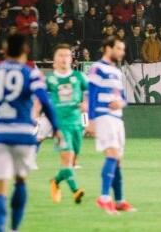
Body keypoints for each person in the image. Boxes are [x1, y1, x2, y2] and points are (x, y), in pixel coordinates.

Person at [0, 34, 61, 232]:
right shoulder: (31, 74)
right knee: (20, 181)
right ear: (26, 52)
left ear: (4, 51)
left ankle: (0, 229)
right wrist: (56, 128)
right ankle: (14, 228)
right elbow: (46, 102)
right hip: (24, 136)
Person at [87, 36, 135, 214]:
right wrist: (91, 120)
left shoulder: (116, 71)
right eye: (119, 49)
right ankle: (104, 197)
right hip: (103, 116)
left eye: (123, 49)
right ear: (108, 48)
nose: (122, 52)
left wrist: (120, 103)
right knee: (112, 154)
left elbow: (122, 98)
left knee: (118, 161)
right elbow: (91, 94)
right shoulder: (97, 68)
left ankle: (120, 201)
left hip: (116, 117)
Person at [44, 44, 88, 204]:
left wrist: (86, 103)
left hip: (76, 124)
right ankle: (76, 191)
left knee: (72, 161)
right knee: (67, 159)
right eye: (60, 55)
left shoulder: (79, 77)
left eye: (66, 55)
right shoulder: (50, 80)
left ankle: (55, 181)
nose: (63, 58)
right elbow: (39, 98)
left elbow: (89, 93)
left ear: (71, 59)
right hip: (60, 125)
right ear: (54, 60)